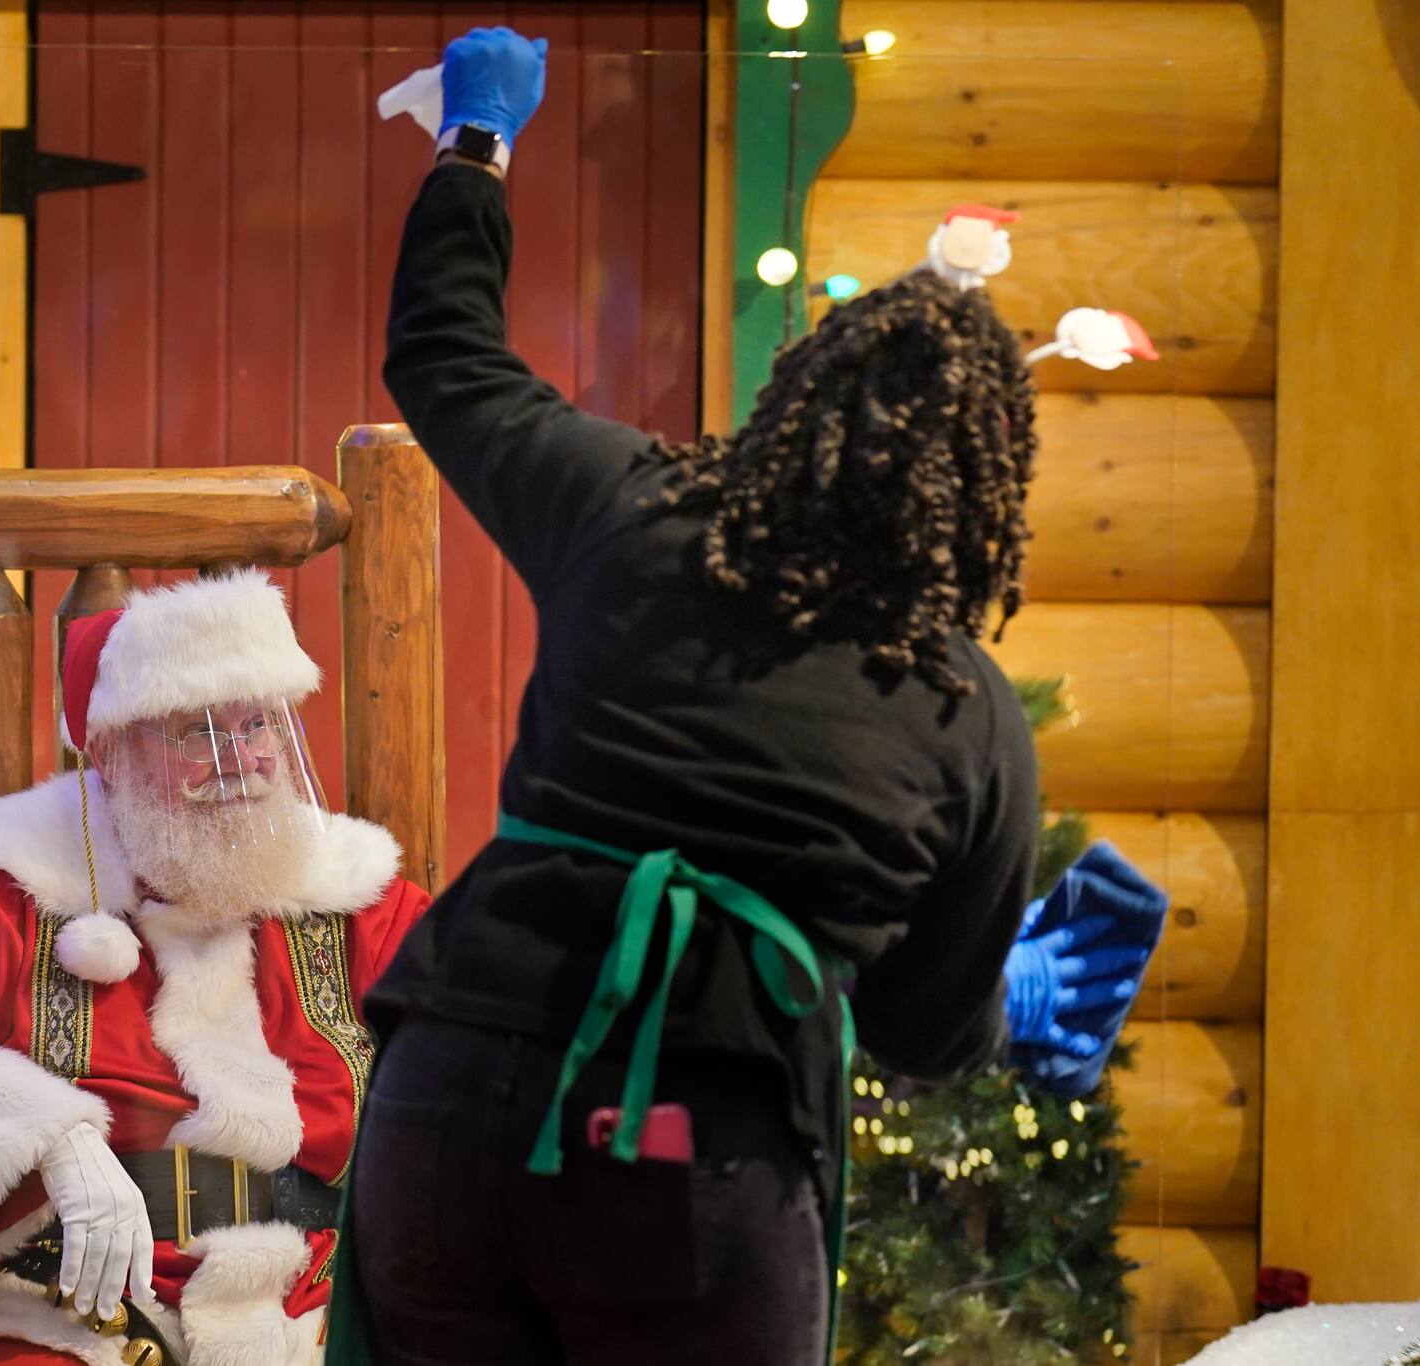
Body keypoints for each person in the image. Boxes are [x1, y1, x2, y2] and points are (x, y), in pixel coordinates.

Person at [336, 27, 1168, 1366]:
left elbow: (446, 355)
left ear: (803, 400)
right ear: (987, 489)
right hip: (695, 1165)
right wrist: (1015, 991)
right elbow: (924, 1030)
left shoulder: (633, 507)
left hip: (448, 1100)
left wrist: (477, 140)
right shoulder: (965, 715)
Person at [0, 570, 431, 1366]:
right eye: (194, 734)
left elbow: (477, 1049)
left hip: (310, 1318)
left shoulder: (359, 902)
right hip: (58, 1321)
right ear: (107, 753)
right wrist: (47, 1135)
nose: (238, 759)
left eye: (256, 725)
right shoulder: (7, 892)